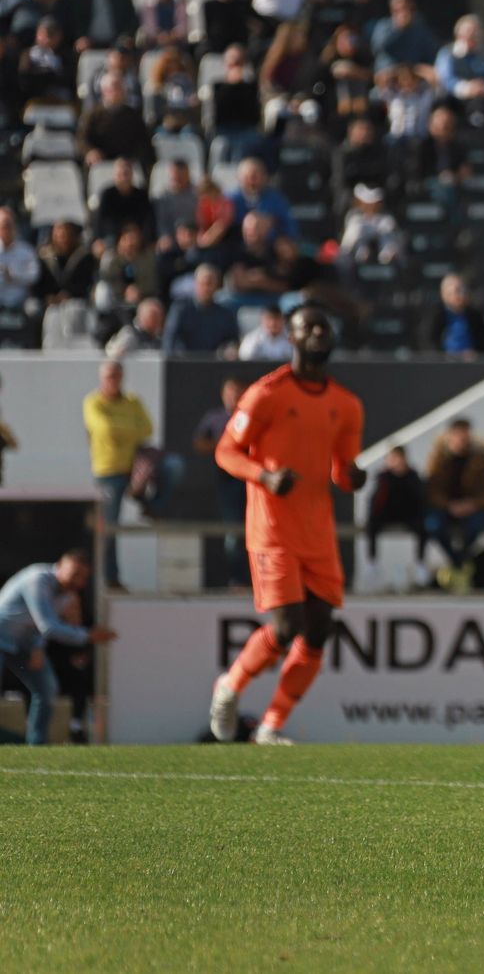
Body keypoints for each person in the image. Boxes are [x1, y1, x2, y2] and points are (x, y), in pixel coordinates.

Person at [208, 303, 367, 745]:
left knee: (319, 631)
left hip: (318, 531)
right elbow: (226, 451)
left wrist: (352, 477)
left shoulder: (347, 405)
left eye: (324, 326)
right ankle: (230, 686)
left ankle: (272, 724)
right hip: (273, 528)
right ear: (291, 338)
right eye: (308, 327)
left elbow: (341, 471)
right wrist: (264, 476)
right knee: (285, 627)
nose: (318, 333)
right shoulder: (267, 394)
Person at [0, 551, 114, 745]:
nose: (77, 581)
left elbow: (37, 627)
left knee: (47, 690)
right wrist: (88, 636)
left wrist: (37, 647)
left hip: (24, 644)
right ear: (60, 565)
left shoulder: (65, 596)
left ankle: (37, 745)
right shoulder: (37, 579)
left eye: (83, 577)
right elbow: (49, 626)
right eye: (75, 573)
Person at [83, 360, 154, 589]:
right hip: (108, 471)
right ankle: (108, 579)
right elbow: (104, 429)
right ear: (101, 378)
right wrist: (129, 430)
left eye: (116, 375)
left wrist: (119, 431)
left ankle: (153, 507)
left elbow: (148, 429)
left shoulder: (132, 401)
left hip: (134, 471)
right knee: (108, 528)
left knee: (171, 467)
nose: (112, 380)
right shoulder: (93, 402)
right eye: (108, 376)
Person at [424, 418, 484, 592]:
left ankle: (459, 562)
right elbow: (431, 491)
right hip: (446, 509)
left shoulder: (480, 459)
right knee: (433, 525)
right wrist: (450, 506)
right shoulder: (438, 459)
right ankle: (459, 562)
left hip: (472, 509)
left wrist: (471, 505)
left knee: (477, 525)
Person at [193, 377, 250, 588]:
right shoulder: (215, 418)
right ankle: (238, 580)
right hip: (228, 481)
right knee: (234, 531)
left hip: (254, 481)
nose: (234, 396)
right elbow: (199, 443)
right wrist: (224, 446)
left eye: (238, 392)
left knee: (257, 530)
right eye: (230, 392)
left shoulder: (251, 416)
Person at [367, 446, 430, 588]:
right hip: (388, 515)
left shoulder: (413, 476)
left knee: (423, 527)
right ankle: (372, 563)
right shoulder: (383, 477)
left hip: (407, 514)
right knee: (372, 524)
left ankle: (420, 563)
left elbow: (420, 499)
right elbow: (376, 501)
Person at [163, 264, 240, 355]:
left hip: (216, 366)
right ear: (195, 284)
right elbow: (170, 340)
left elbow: (232, 341)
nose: (206, 288)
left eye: (210, 283)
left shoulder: (226, 314)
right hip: (185, 365)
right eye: (203, 283)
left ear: (217, 286)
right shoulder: (180, 309)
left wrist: (229, 350)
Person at [427, 272, 484, 355]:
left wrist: (475, 353)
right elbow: (428, 344)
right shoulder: (434, 317)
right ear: (444, 294)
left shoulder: (476, 317)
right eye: (457, 290)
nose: (461, 294)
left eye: (464, 290)